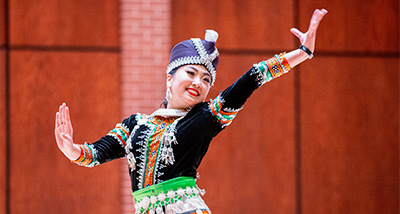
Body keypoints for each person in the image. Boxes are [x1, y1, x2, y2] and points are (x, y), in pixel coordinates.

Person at [55, 9, 328, 214]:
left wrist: (303, 52)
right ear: (170, 77)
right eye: (191, 73)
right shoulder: (135, 124)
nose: (199, 82)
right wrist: (71, 149)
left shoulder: (206, 118)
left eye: (206, 79)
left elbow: (252, 77)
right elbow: (95, 153)